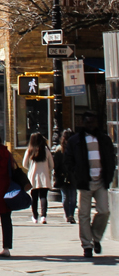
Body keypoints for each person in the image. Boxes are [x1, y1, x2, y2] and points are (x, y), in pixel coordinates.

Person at [65, 111, 116, 258]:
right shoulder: (75, 140)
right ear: (83, 123)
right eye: (87, 122)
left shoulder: (105, 140)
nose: (90, 125)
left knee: (104, 211)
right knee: (84, 215)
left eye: (92, 122)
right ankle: (87, 245)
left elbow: (111, 158)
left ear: (97, 123)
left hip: (101, 181)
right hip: (84, 182)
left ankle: (96, 237)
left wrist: (109, 174)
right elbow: (68, 161)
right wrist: (76, 174)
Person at [23, 132, 53, 224]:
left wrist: (31, 169)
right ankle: (43, 216)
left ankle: (35, 216)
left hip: (33, 177)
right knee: (43, 197)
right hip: (44, 176)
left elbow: (24, 164)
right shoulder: (45, 150)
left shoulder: (29, 150)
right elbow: (52, 165)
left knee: (34, 198)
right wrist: (47, 169)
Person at [52, 128, 77, 224]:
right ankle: (71, 215)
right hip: (72, 176)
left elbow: (56, 165)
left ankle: (68, 215)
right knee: (73, 197)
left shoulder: (59, 149)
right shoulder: (75, 148)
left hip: (62, 176)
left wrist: (56, 174)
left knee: (65, 197)